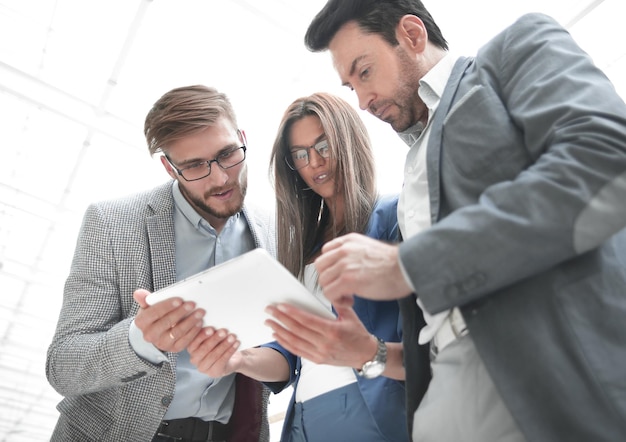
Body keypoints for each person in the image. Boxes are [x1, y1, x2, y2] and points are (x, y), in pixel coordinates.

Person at [303, 1, 626, 441]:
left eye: (364, 72)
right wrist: (370, 352)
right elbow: (445, 328)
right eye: (349, 86)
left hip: (552, 391)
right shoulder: (411, 169)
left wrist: (407, 265)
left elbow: (606, 163)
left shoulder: (512, 52)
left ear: (412, 35)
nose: (361, 101)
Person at [45, 85, 275, 442]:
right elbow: (63, 365)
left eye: (228, 153)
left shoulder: (276, 234)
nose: (219, 178)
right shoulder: (111, 224)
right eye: (195, 165)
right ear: (170, 167)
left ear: (242, 138)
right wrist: (140, 339)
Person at [188, 92, 409, 441]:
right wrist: (239, 360)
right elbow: (288, 356)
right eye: (300, 155)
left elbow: (430, 339)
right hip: (304, 420)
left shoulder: (396, 216)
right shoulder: (300, 249)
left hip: (375, 413)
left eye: (324, 146)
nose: (315, 163)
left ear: (348, 142)